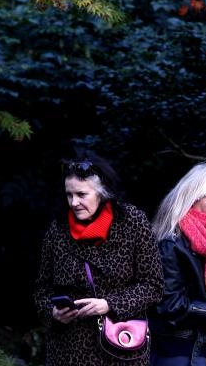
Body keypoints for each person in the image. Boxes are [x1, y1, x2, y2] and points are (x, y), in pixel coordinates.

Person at [34, 156, 164, 366]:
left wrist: (109, 304)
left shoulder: (132, 222)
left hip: (121, 349)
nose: (74, 203)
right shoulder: (58, 230)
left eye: (82, 194)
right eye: (69, 195)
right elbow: (41, 289)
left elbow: (153, 286)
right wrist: (53, 312)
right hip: (68, 351)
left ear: (102, 193)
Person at [148, 161, 206, 365]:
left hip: (199, 350)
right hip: (176, 353)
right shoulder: (171, 242)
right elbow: (169, 306)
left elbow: (195, 294)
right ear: (193, 198)